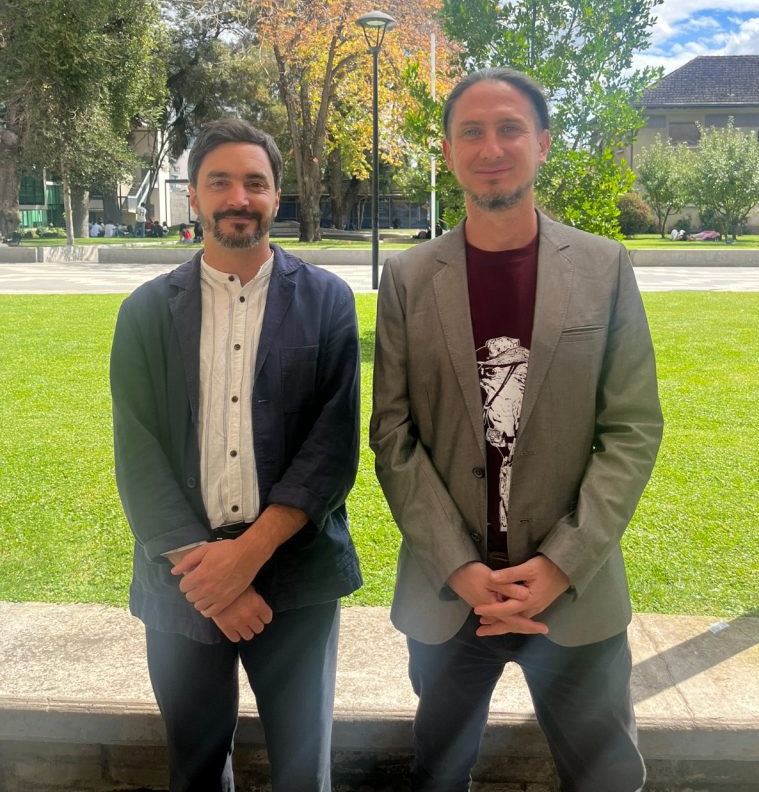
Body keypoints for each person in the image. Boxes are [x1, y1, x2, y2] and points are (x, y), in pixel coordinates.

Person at [371, 67, 663, 792]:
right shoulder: (408, 278)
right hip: (449, 598)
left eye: (510, 129)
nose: (491, 147)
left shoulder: (603, 267)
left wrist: (563, 562)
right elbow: (393, 436)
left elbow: (631, 428)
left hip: (574, 593)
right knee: (437, 774)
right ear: (447, 151)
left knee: (606, 779)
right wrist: (459, 568)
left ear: (543, 144)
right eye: (471, 131)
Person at [111, 118, 362, 792]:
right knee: (193, 769)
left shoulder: (327, 302)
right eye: (219, 181)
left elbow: (332, 448)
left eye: (255, 182)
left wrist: (245, 558)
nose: (238, 198)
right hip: (181, 580)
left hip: (297, 577)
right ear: (194, 194)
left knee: (304, 774)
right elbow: (138, 454)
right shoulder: (144, 313)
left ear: (277, 196)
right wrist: (209, 577)